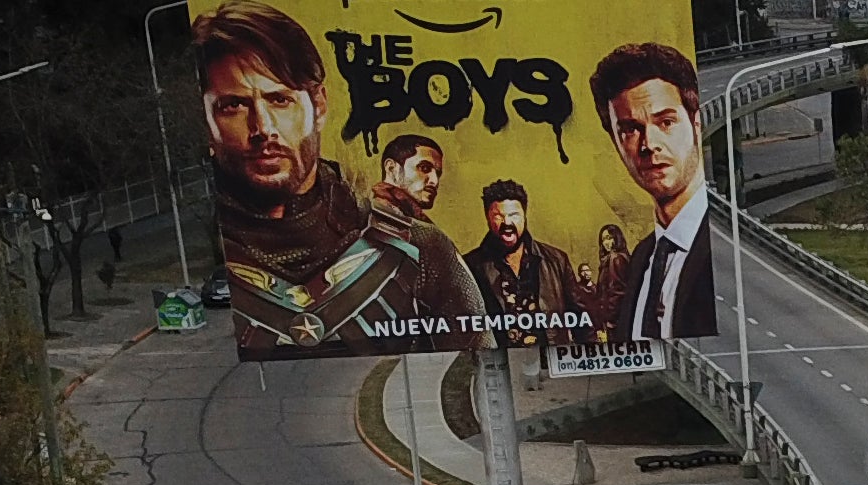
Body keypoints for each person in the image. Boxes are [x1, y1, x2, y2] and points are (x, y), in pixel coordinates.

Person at [196, 2, 484, 358]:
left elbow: (473, 370)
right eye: (233, 106)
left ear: (318, 105)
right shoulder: (209, 255)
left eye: (280, 99)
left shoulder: (418, 246)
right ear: (206, 121)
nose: (263, 128)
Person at [593, 42, 715, 343]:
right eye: (630, 129)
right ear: (616, 143)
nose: (649, 145)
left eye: (666, 122)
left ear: (696, 124)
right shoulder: (642, 258)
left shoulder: (721, 248)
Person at [467, 179, 588, 346]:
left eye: (513, 215)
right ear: (487, 218)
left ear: (524, 215)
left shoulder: (556, 261)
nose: (507, 223)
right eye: (498, 216)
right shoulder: (471, 267)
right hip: (501, 367)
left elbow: (583, 323)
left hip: (550, 365)